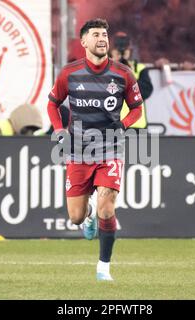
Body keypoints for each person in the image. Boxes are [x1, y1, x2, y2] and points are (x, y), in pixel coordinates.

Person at [47, 18, 143, 281]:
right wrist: (58, 129)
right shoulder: (69, 73)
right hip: (78, 151)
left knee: (107, 207)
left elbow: (137, 109)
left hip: (111, 148)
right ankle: (87, 217)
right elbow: (53, 104)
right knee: (76, 217)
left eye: (105, 35)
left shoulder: (123, 73)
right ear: (84, 42)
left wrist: (122, 125)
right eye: (96, 34)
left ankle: (103, 267)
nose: (103, 38)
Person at [109, 31, 152, 129]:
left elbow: (146, 92)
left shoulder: (139, 68)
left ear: (130, 50)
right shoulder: (105, 69)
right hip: (112, 126)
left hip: (136, 125)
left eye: (125, 47)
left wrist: (129, 74)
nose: (122, 51)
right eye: (117, 47)